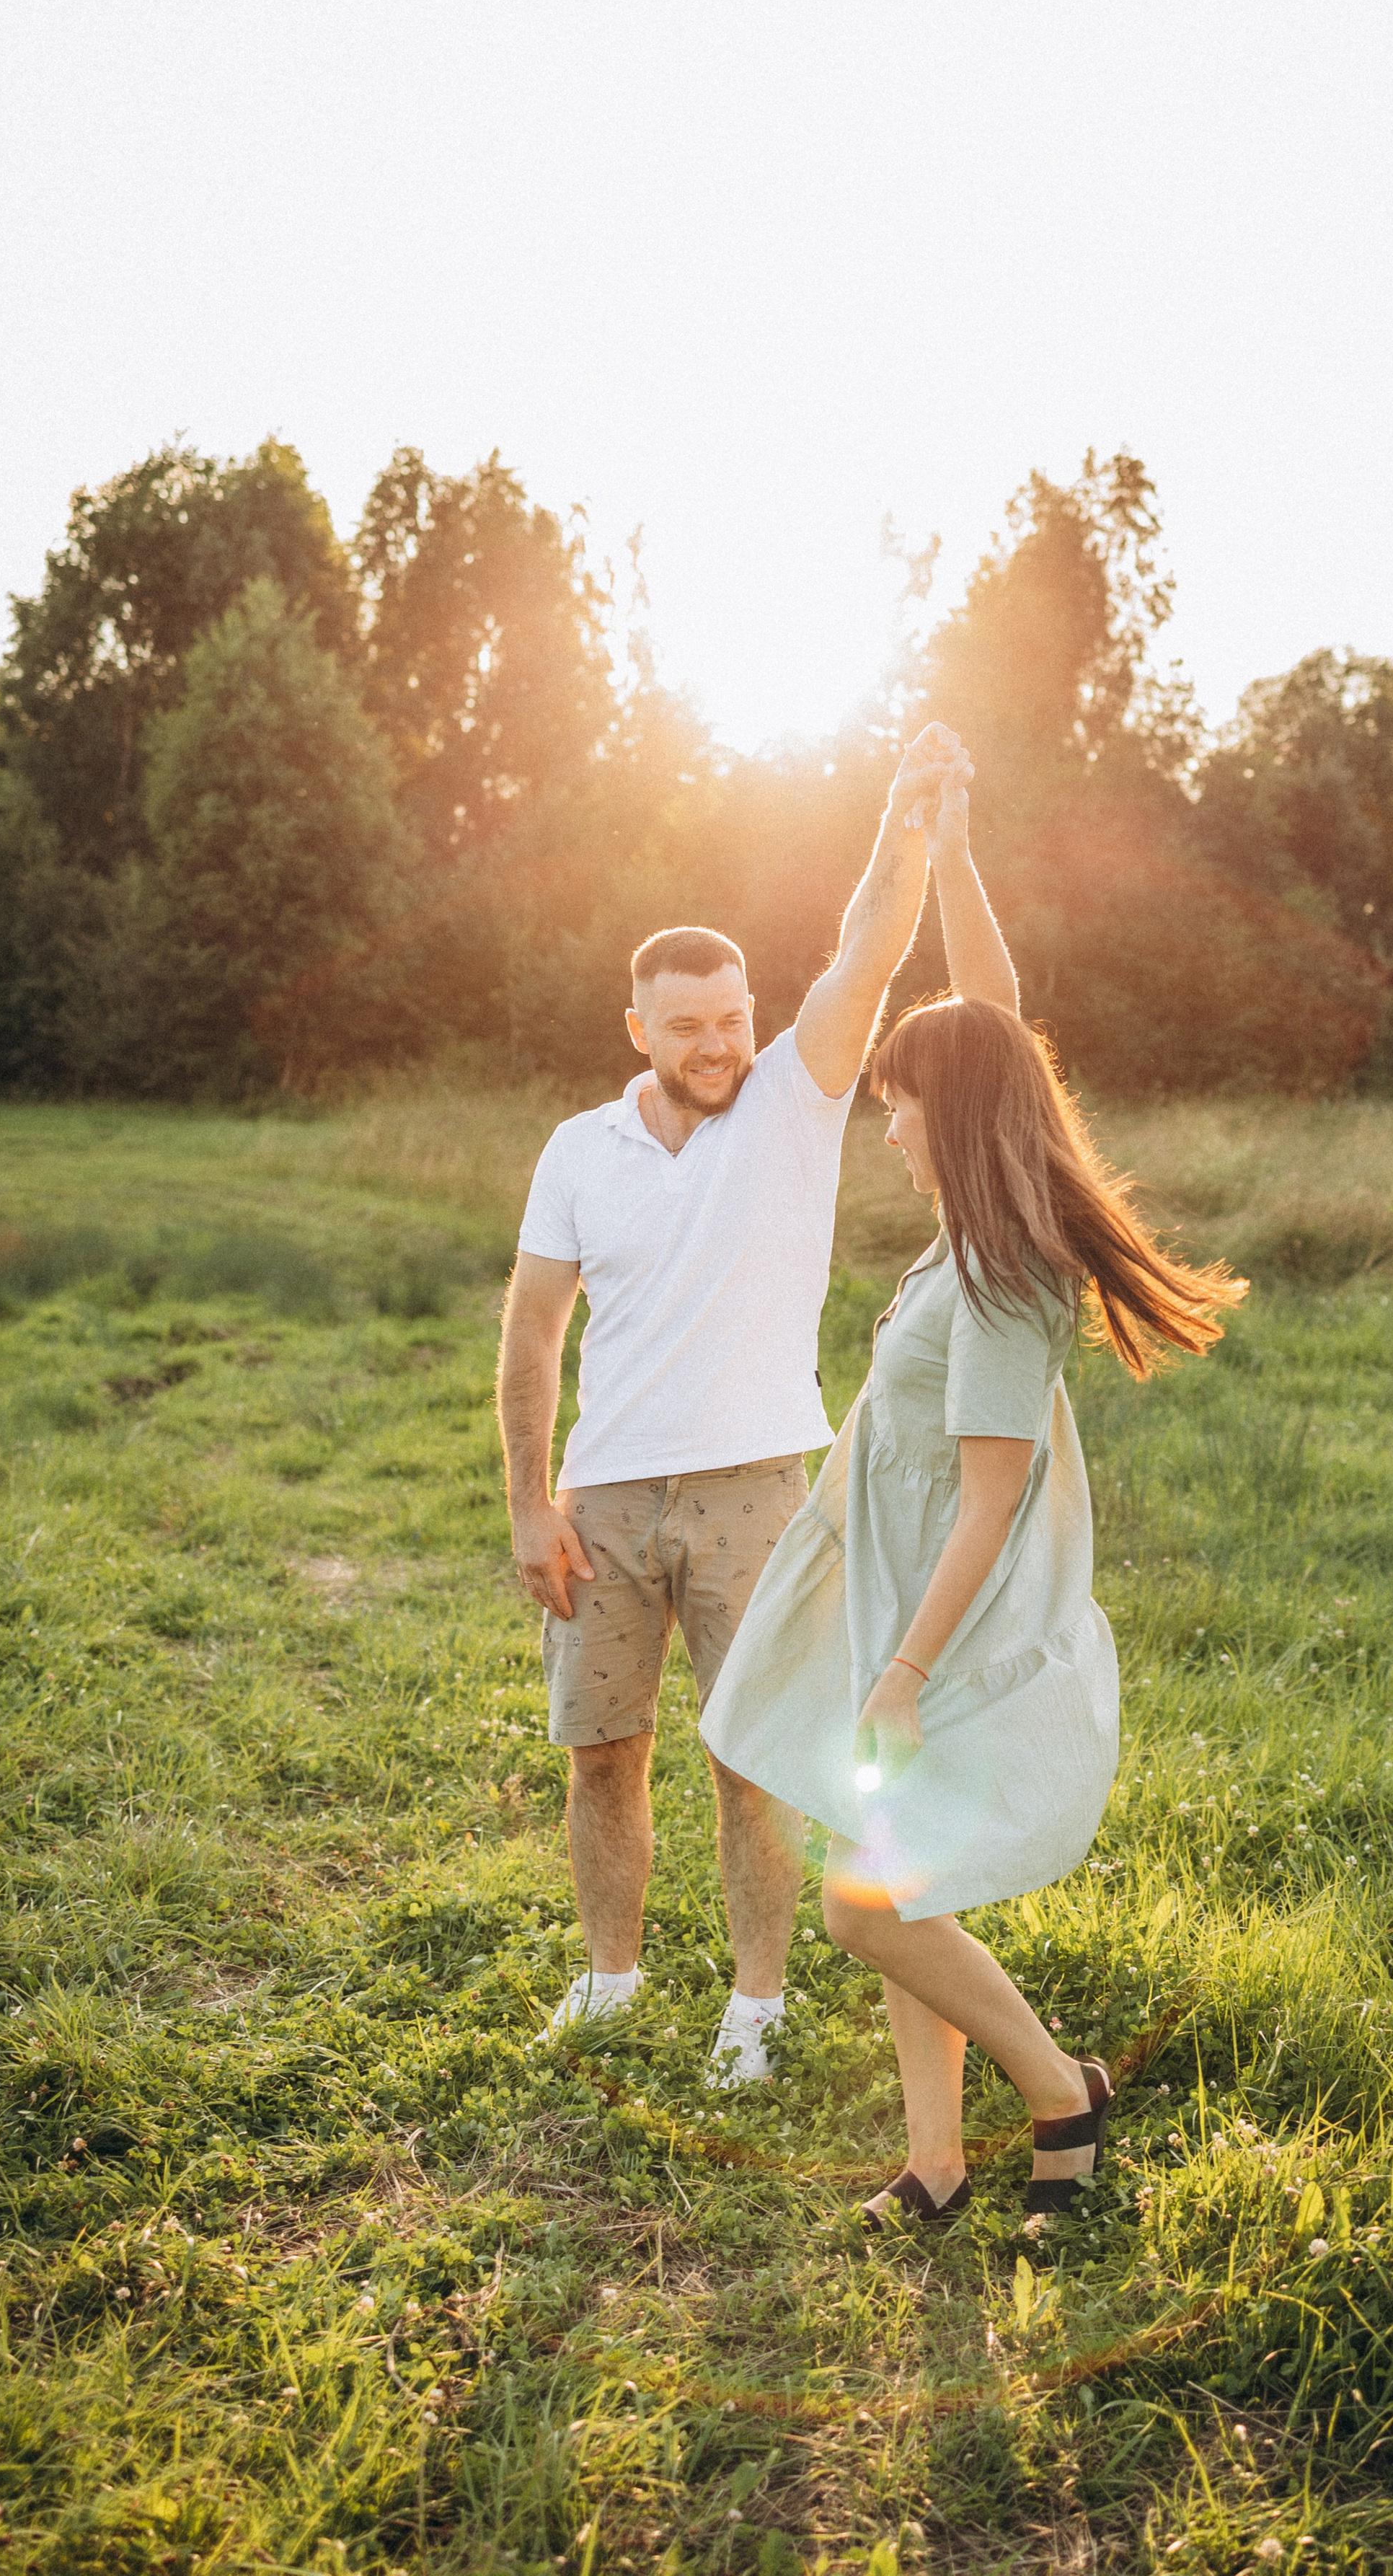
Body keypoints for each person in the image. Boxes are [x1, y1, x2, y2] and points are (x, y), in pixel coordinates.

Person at [701, 803, 1246, 2220]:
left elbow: (993, 1502)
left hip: (945, 1628)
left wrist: (898, 1674)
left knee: (862, 1902)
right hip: (897, 1600)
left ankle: (1058, 2087)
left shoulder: (1002, 1279)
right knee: (902, 1893)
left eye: (898, 1097)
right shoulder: (971, 1219)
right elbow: (994, 1019)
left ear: (954, 1109)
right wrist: (946, 855)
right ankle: (935, 2164)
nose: (882, 1120)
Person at [498, 721, 977, 2083]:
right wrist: (531, 1500)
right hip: (607, 1498)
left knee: (748, 1762)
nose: (718, 1046)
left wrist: (907, 825)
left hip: (762, 1488)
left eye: (734, 1020)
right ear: (638, 1029)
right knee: (604, 1754)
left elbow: (870, 946)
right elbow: (535, 1327)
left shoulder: (792, 1099)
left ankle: (755, 2012)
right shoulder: (577, 1150)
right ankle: (609, 1979)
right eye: (689, 1027)